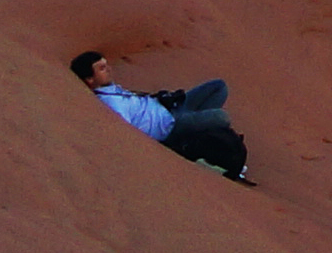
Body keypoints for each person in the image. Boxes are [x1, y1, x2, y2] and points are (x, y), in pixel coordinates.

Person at [71, 51, 251, 183]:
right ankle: (193, 135)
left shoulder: (110, 89)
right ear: (89, 80)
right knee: (221, 118)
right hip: (170, 126)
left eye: (106, 65)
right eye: (102, 69)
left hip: (172, 108)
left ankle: (199, 129)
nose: (108, 70)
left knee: (219, 87)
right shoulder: (111, 104)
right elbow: (124, 132)